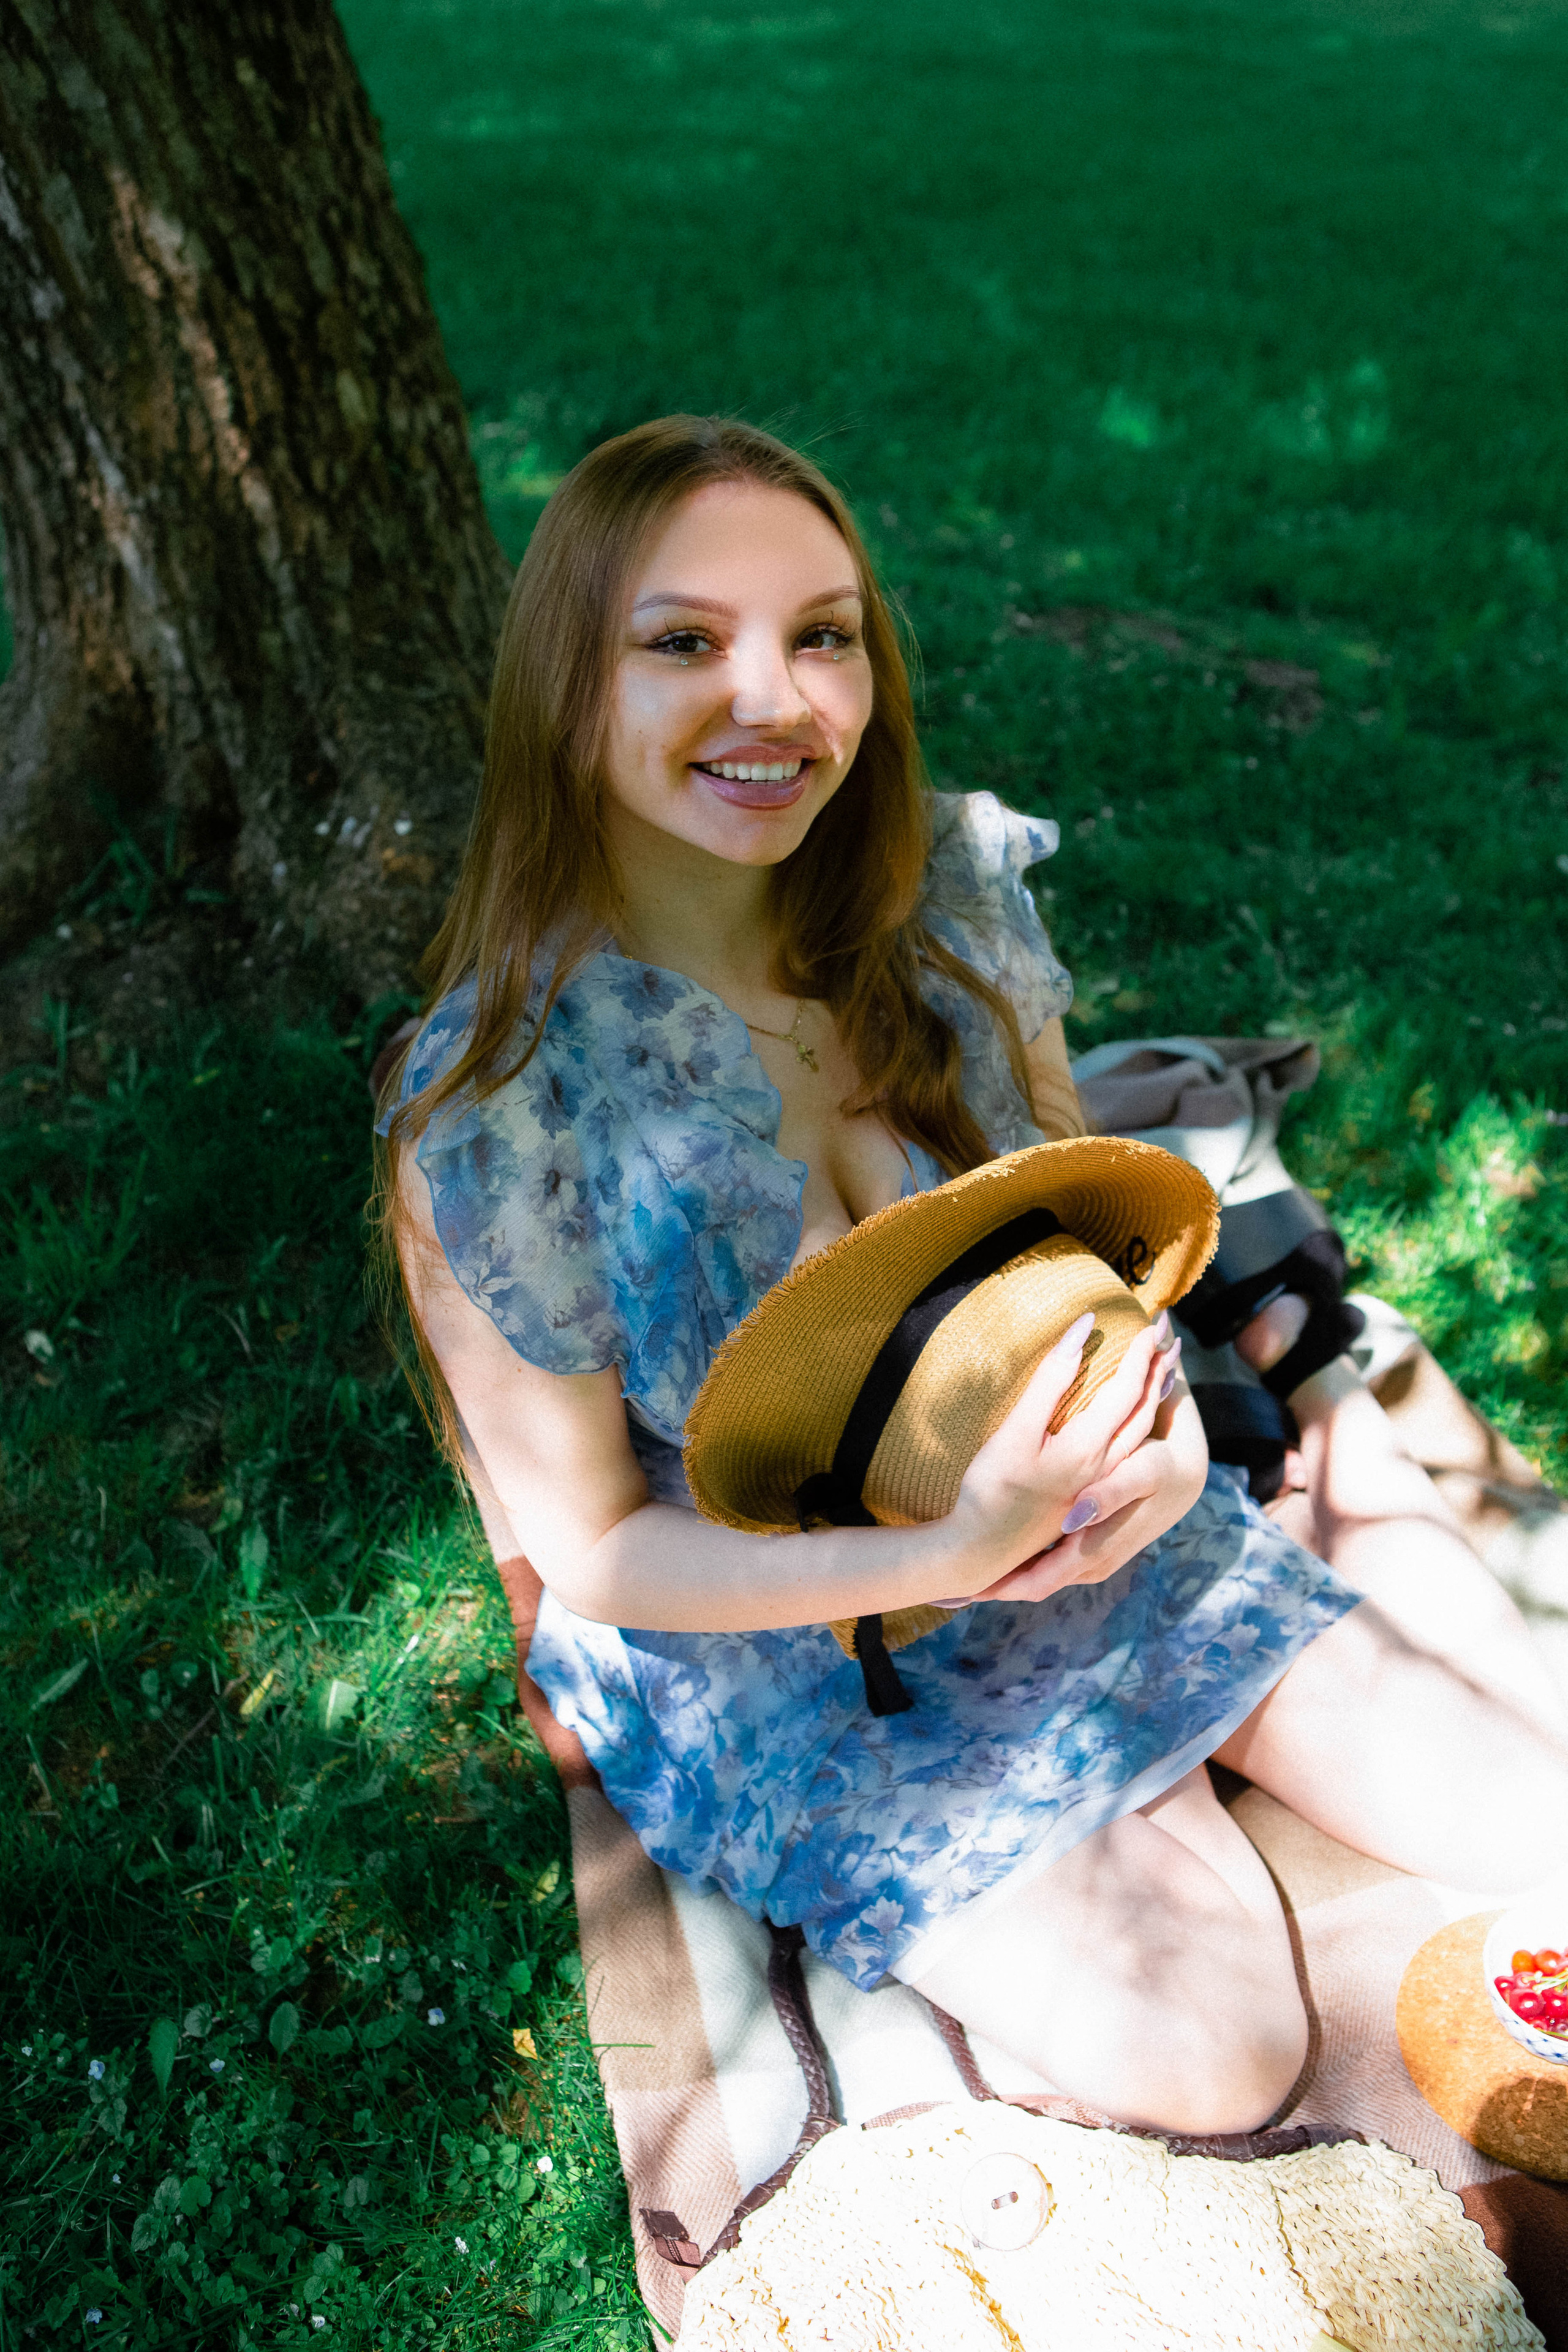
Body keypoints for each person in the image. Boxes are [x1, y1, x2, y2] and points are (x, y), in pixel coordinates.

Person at [378, 415, 1568, 2137]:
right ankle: (1140, 1813)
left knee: (1542, 1835)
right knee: (1220, 2056)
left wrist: (1153, 1440)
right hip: (811, 1654)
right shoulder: (499, 1113)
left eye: (825, 634)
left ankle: (1175, 1752)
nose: (776, 700)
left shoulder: (937, 906)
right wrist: (953, 1552)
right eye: (685, 642)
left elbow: (1094, 1268)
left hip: (1104, 1519)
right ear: (569, 685)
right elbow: (596, 1551)